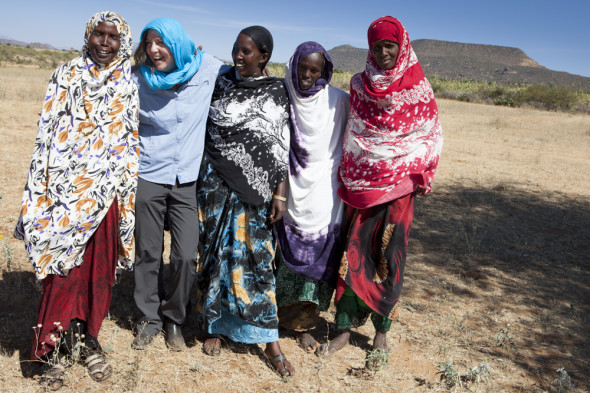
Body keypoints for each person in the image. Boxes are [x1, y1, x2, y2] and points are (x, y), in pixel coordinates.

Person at [14, 11, 139, 390]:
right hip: (65, 196)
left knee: (96, 274)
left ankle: (86, 341)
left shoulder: (126, 82)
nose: (104, 42)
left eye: (112, 37)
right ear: (87, 36)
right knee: (62, 272)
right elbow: (46, 136)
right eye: (98, 34)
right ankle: (50, 352)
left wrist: (123, 195)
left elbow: (128, 142)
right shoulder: (66, 75)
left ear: (123, 42)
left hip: (104, 196)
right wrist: (43, 192)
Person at [317, 16, 443, 371]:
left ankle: (381, 333)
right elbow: (356, 133)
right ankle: (342, 329)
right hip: (363, 186)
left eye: (390, 46)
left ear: (401, 46)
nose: (384, 52)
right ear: (369, 49)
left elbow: (430, 133)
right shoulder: (359, 85)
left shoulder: (418, 85)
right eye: (377, 47)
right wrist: (360, 168)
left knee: (389, 259)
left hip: (400, 189)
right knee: (352, 255)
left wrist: (417, 172)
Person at [196, 26, 294, 377]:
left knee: (257, 261)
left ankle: (270, 341)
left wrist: (280, 193)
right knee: (216, 255)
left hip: (256, 190)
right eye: (236, 49)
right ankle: (216, 327)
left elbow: (281, 146)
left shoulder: (276, 91)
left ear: (264, 56)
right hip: (215, 185)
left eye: (246, 52)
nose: (238, 56)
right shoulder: (221, 82)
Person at [130, 17, 226, 351]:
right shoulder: (138, 79)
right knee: (147, 252)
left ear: (178, 42)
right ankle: (148, 319)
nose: (154, 50)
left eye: (161, 42)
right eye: (148, 43)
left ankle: (174, 318)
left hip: (187, 181)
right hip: (149, 175)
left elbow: (246, 75)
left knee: (185, 256)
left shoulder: (207, 69)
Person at [274, 42, 349, 352]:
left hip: (325, 192)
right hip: (289, 188)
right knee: (285, 257)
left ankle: (307, 324)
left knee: (320, 257)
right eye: (302, 67)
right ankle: (279, 316)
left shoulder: (339, 101)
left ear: (324, 71)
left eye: (314, 69)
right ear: (294, 65)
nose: (307, 74)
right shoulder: (281, 93)